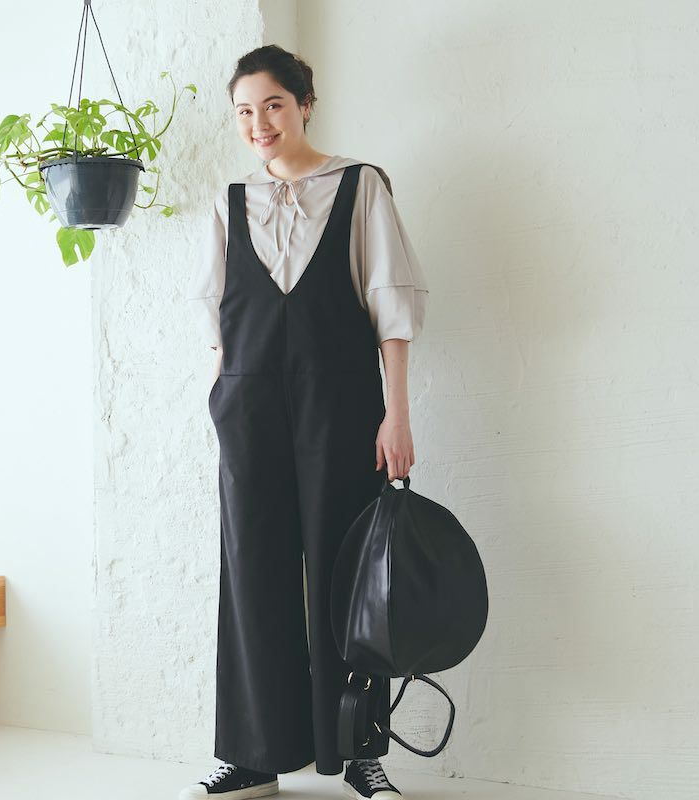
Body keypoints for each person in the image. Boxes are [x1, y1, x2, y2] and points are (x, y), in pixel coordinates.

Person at [182, 44, 428, 800]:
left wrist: (396, 414)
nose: (259, 123)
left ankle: (359, 753)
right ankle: (253, 757)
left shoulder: (359, 186)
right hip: (248, 404)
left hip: (342, 402)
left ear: (305, 105)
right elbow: (217, 317)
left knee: (346, 576)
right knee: (251, 572)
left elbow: (391, 306)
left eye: (273, 105)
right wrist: (221, 398)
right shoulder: (229, 200)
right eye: (244, 112)